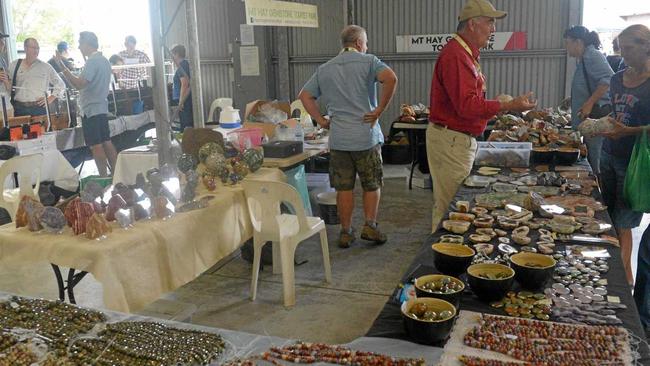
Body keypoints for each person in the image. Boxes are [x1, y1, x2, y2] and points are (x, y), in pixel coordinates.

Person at [426, 0, 536, 232]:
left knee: (450, 206)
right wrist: (507, 105)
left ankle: (444, 256)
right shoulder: (457, 55)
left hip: (455, 139)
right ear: (473, 24)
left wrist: (500, 105)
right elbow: (466, 106)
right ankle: (443, 259)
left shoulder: (464, 53)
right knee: (453, 208)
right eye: (490, 22)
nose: (493, 29)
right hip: (453, 140)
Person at [299, 25, 398, 248]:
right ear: (359, 43)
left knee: (343, 188)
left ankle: (345, 231)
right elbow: (391, 79)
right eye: (366, 43)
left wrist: (322, 121)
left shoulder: (325, 68)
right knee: (371, 184)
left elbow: (305, 96)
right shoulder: (370, 61)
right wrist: (379, 110)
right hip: (365, 137)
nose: (367, 47)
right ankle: (370, 226)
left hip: (339, 140)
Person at [595, 24, 650, 286]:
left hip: (635, 163)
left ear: (646, 46)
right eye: (621, 49)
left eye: (629, 49)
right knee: (607, 214)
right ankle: (611, 268)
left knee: (624, 220)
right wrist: (600, 126)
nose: (623, 55)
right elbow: (614, 113)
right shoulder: (618, 78)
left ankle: (624, 278)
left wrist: (629, 131)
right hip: (609, 153)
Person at [56, 31, 117, 177]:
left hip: (90, 109)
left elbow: (79, 84)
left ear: (87, 44)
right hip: (101, 107)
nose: (78, 47)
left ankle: (103, 176)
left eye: (80, 43)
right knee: (106, 141)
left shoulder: (93, 61)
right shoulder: (104, 60)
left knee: (96, 145)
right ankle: (116, 173)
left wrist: (62, 67)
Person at [564, 25, 613, 176]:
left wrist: (589, 102)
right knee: (590, 155)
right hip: (586, 117)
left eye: (567, 43)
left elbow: (608, 80)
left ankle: (599, 191)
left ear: (578, 42)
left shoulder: (592, 55)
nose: (567, 48)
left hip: (595, 116)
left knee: (595, 157)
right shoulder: (583, 58)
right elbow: (588, 84)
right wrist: (574, 98)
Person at [1, 38, 66, 117]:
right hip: (19, 108)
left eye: (38, 48)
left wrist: (50, 98)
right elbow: (9, 89)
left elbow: (61, 84)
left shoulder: (46, 67)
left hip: (39, 108)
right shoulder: (14, 65)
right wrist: (5, 82)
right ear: (25, 48)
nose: (36, 50)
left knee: (41, 129)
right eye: (33, 48)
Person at [171, 44, 193, 131]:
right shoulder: (184, 64)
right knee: (185, 124)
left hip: (185, 100)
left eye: (172, 54)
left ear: (176, 54)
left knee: (186, 125)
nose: (171, 57)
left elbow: (185, 84)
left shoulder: (182, 65)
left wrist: (181, 101)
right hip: (184, 99)